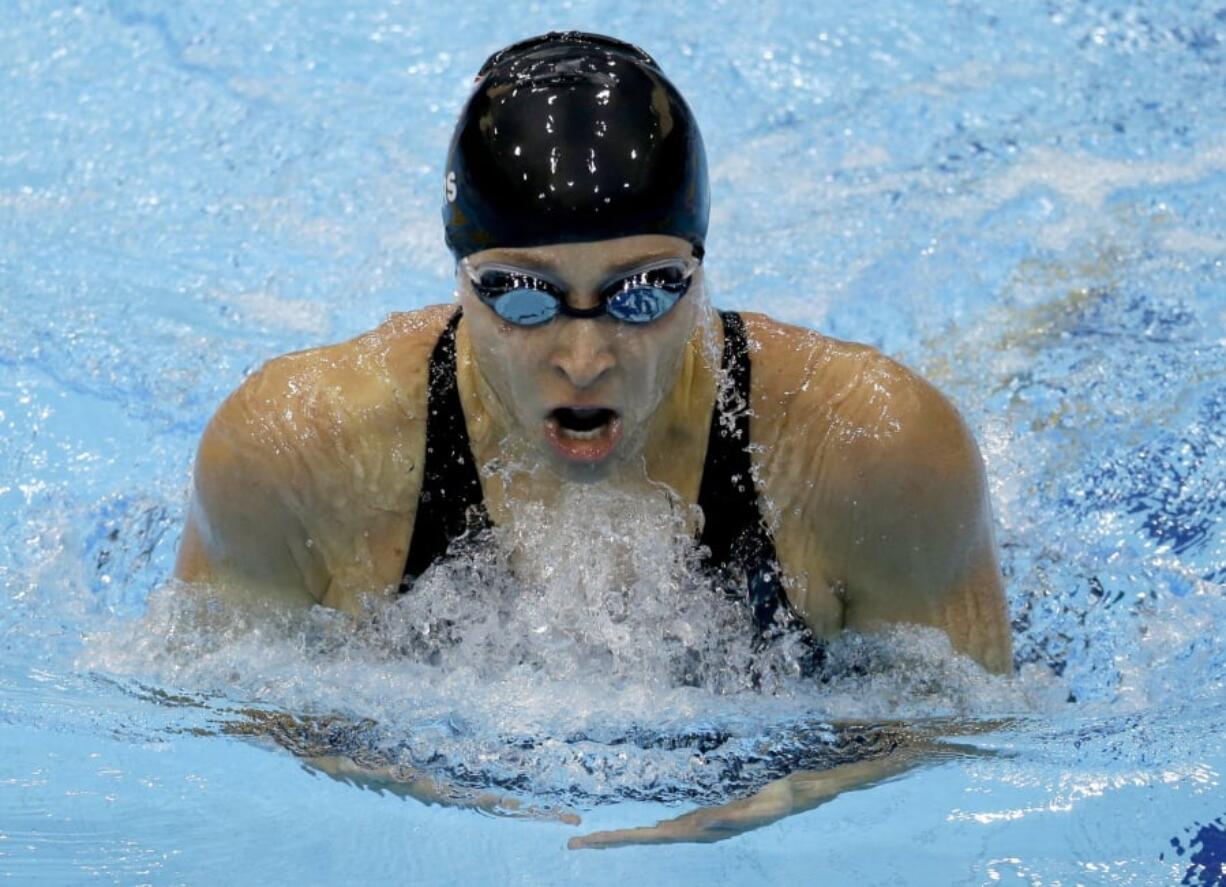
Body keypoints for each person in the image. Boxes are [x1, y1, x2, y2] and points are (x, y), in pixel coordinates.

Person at [174, 31, 1012, 846]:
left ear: (699, 271)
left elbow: (964, 724)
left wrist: (808, 791)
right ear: (459, 277)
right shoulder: (294, 454)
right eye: (522, 296)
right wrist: (359, 770)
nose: (583, 358)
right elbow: (208, 703)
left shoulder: (875, 451)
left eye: (643, 293)